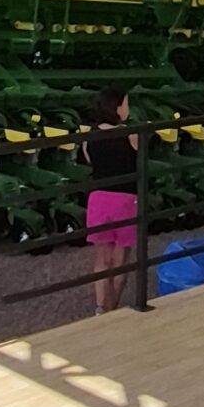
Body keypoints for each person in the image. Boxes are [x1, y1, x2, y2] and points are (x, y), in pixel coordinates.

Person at [82, 85, 140, 312]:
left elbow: (90, 161)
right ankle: (112, 309)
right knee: (120, 260)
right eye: (126, 104)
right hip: (125, 200)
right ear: (117, 107)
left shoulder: (89, 136)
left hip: (98, 199)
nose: (128, 109)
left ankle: (101, 309)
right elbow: (139, 161)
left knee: (101, 259)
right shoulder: (131, 134)